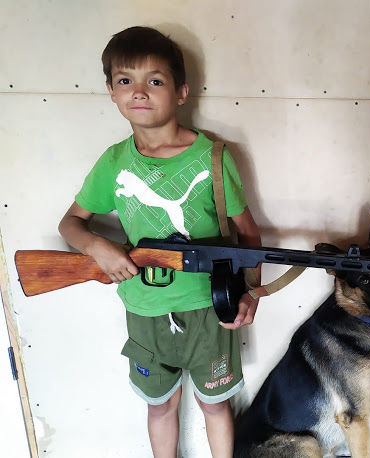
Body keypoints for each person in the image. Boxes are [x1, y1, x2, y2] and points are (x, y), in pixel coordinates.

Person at [58, 26, 261, 458]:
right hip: (144, 308)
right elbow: (70, 224)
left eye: (155, 80)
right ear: (111, 92)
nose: (139, 92)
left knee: (215, 404)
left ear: (181, 91)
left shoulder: (213, 158)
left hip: (210, 307)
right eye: (125, 80)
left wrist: (251, 292)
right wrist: (97, 246)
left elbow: (248, 235)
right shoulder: (114, 162)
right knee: (160, 405)